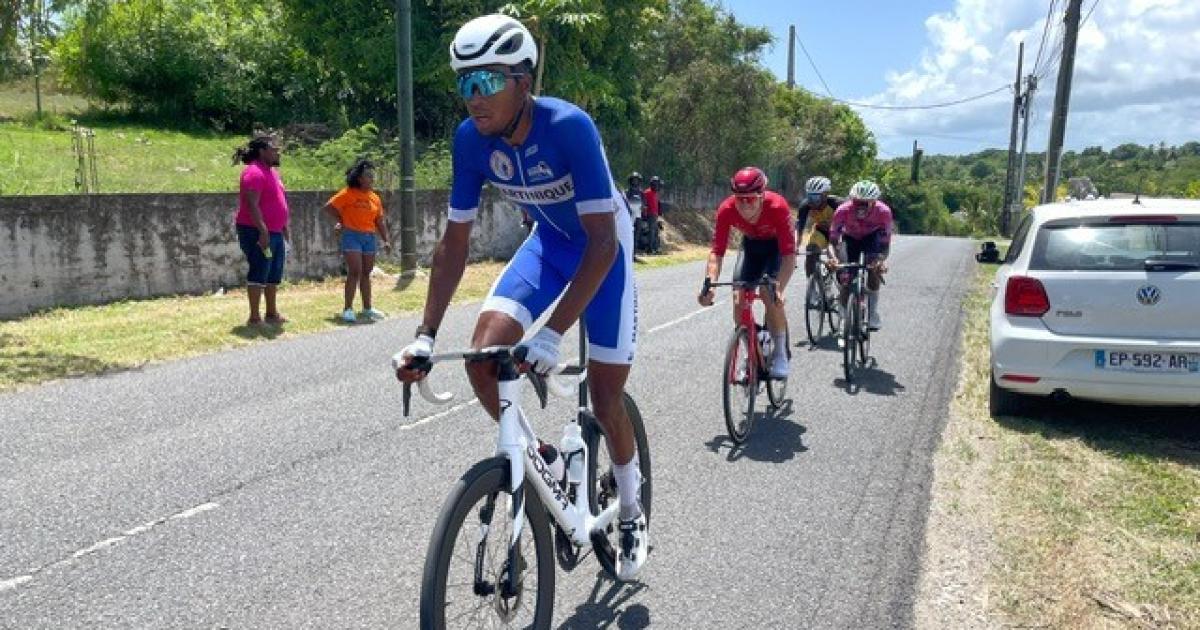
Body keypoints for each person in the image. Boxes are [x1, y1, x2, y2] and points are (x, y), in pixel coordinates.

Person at [391, 14, 648, 580]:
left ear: (522, 81)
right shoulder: (470, 142)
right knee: (486, 356)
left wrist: (554, 333)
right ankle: (546, 463)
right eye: (463, 84)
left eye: (485, 82)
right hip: (550, 245)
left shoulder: (569, 126)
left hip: (604, 249)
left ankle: (631, 509)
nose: (471, 98)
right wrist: (425, 336)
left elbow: (602, 241)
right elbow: (453, 245)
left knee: (605, 400)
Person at [697, 167, 797, 378]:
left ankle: (780, 352)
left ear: (761, 196)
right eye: (739, 198)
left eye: (750, 199)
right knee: (738, 299)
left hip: (776, 249)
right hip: (751, 247)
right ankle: (752, 352)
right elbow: (717, 251)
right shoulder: (726, 209)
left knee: (769, 294)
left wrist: (779, 287)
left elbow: (789, 256)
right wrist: (710, 283)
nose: (743, 205)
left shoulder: (778, 206)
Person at [322, 159, 391, 323]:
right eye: (368, 176)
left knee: (366, 272)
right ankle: (348, 309)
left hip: (369, 237)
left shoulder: (374, 197)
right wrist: (341, 221)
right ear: (359, 178)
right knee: (355, 271)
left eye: (372, 176)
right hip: (352, 236)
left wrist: (386, 240)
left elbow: (379, 221)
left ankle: (367, 308)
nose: (372, 179)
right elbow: (328, 207)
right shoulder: (348, 193)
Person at [233, 135, 290, 326]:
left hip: (275, 231)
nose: (278, 152)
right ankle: (254, 317)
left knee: (273, 273)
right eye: (274, 149)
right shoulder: (254, 173)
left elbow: (276, 202)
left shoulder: (272, 172)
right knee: (259, 270)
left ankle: (271, 314)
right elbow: (252, 204)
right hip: (256, 230)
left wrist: (284, 227)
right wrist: (263, 231)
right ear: (262, 151)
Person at [826, 180, 893, 338]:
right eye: (857, 202)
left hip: (872, 238)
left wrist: (880, 260)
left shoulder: (884, 212)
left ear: (874, 202)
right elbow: (833, 241)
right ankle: (844, 318)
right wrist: (834, 258)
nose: (861, 206)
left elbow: (885, 244)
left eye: (866, 203)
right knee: (846, 278)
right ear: (851, 200)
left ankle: (872, 313)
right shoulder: (843, 210)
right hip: (851, 238)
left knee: (873, 271)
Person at [796, 175, 841, 306]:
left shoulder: (837, 204)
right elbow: (799, 229)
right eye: (809, 196)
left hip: (839, 234)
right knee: (811, 249)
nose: (812, 200)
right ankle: (813, 288)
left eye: (815, 197)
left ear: (826, 194)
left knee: (838, 258)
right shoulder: (805, 206)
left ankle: (839, 285)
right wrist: (795, 247)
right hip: (821, 231)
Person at [642, 175, 662, 254]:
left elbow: (657, 205)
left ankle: (655, 247)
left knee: (655, 232)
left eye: (657, 183)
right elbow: (644, 204)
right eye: (654, 183)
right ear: (651, 183)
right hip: (650, 214)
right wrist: (645, 214)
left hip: (655, 215)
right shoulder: (647, 192)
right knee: (652, 231)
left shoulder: (656, 193)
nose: (656, 185)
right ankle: (650, 249)